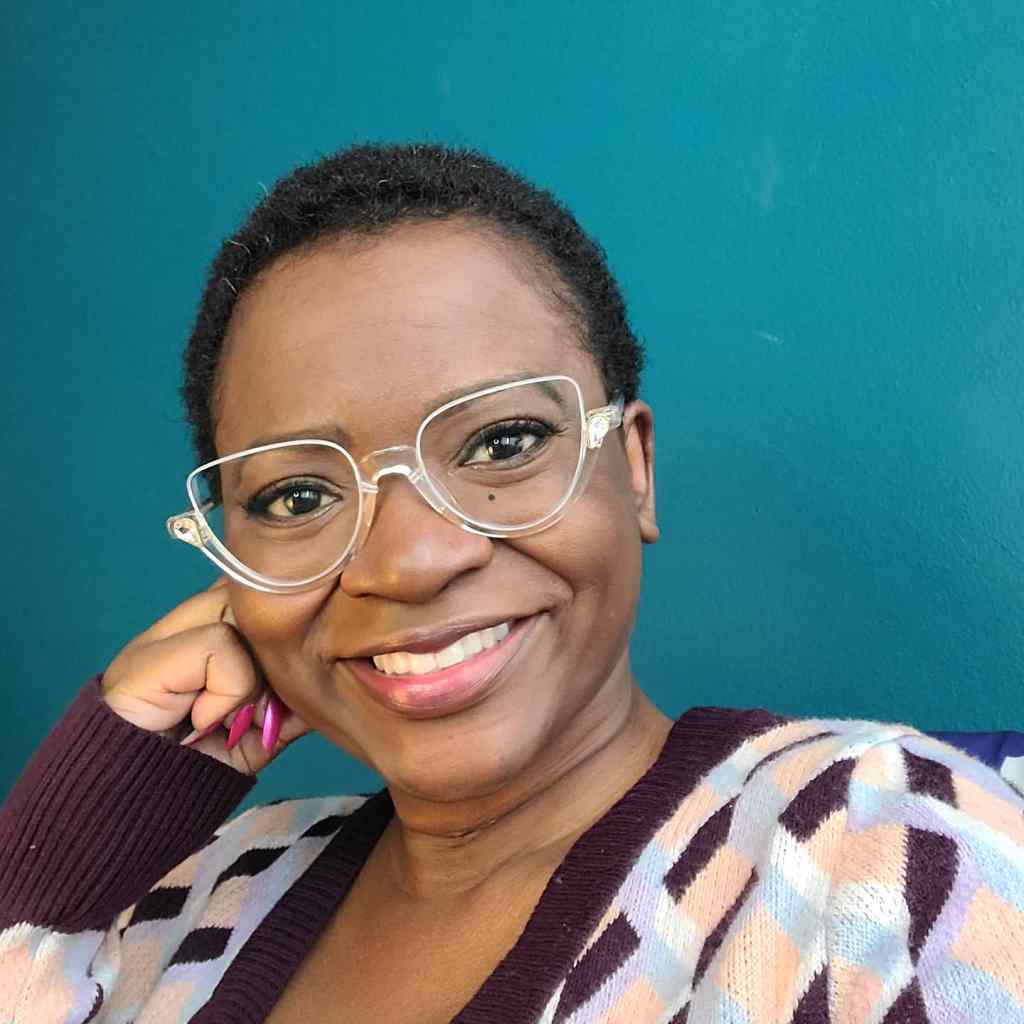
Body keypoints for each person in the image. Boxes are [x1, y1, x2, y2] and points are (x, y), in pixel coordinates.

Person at [2, 144, 1023, 1024]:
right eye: (298, 496)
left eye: (502, 441)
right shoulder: (203, 893)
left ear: (633, 470)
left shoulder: (880, 854)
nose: (407, 561)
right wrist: (75, 834)